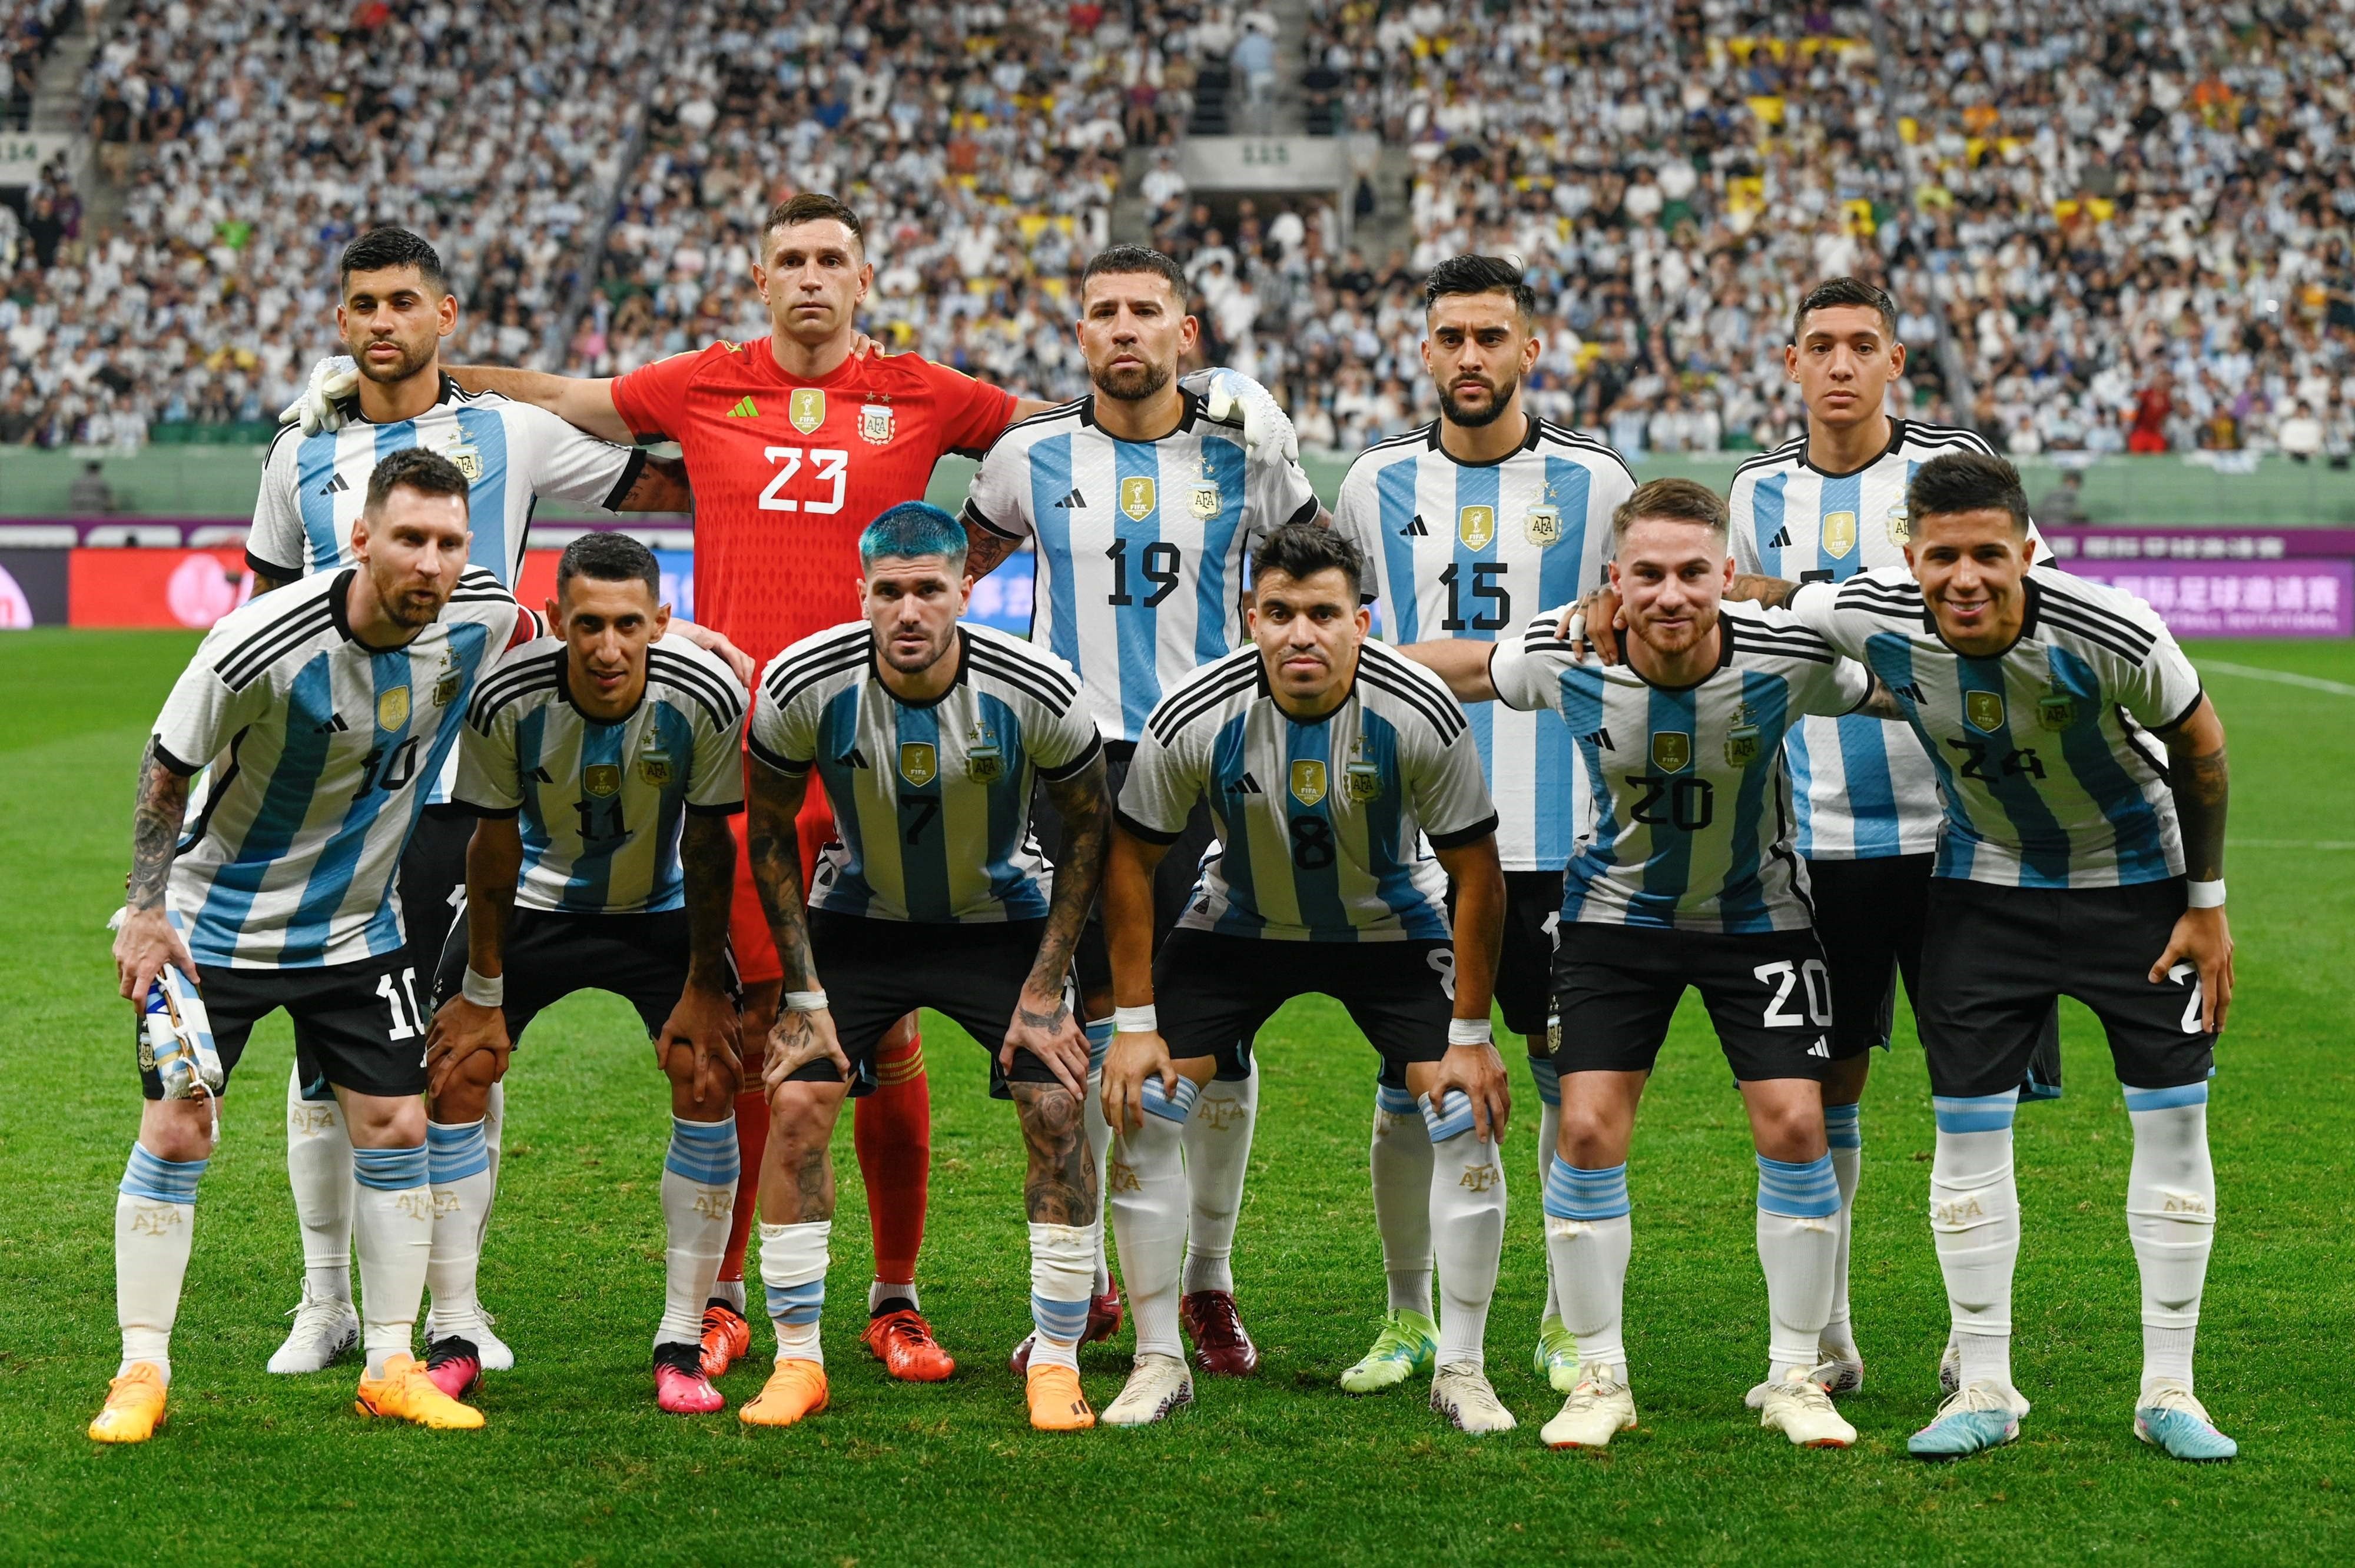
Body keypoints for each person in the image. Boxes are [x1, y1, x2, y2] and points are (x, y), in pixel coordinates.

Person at [281, 194, 1293, 1384]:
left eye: (831, 261)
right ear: (758, 278)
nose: (810, 278)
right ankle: (722, 1299)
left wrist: (1225, 391)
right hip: (749, 750)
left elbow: (1069, 428)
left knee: (895, 1026)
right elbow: (565, 398)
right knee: (764, 1024)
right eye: (790, 261)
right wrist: (417, 371)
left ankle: (897, 1296)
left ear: (865, 278)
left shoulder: (926, 391)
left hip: (885, 747)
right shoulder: (701, 382)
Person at [1584, 276, 2065, 1398]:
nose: (1841, 366)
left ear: (1897, 361)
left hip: (1961, 840)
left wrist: (1806, 588)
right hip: (1822, 845)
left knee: (1971, 1089)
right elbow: (1740, 626)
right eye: (1820, 347)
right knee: (1829, 1086)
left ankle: (1970, 1339)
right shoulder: (1754, 488)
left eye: (1862, 346)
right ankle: (1834, 1335)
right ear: (1789, 364)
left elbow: (1994, 603)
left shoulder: (1953, 468)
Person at [247, 226, 709, 1383]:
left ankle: (456, 1307)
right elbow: (258, 622)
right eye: (363, 304)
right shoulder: (295, 452)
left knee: (458, 1048)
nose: (382, 322)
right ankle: (323, 1305)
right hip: (333, 800)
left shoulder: (502, 429)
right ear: (341, 319)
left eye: (404, 301)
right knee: (323, 1056)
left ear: (444, 312)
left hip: (466, 789)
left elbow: (655, 469)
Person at [1747, 452, 2238, 1463]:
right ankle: (1983, 1385)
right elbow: (1776, 602)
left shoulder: (2114, 628)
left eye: (1985, 556)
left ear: (2026, 553)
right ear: (1909, 558)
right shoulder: (1872, 612)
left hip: (2138, 893)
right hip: (1981, 894)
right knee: (1967, 1134)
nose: (1962, 579)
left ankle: (2170, 1391)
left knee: (2174, 1125)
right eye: (1940, 558)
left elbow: (2202, 747)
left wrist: (2206, 906)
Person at [1406, 479, 1890, 1451]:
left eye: (1695, 575)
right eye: (1650, 576)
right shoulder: (1563, 652)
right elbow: (1452, 669)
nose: (1672, 597)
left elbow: (1888, 675)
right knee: (1583, 1131)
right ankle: (1600, 1380)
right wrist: (1333, 658)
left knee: (1799, 1124)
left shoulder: (1786, 656)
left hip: (1759, 922)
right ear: (1614, 581)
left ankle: (1797, 1374)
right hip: (1613, 923)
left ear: (1726, 576)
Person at [91, 449, 538, 1443]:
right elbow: (167, 771)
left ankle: (390, 1361)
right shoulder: (255, 644)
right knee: (180, 1130)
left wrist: (699, 641)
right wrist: (150, 912)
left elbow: (553, 636)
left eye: (450, 544)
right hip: (217, 930)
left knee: (397, 1127)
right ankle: (141, 1371)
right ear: (361, 539)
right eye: (411, 539)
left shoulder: (481, 618)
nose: (431, 563)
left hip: (356, 931)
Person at [959, 243, 1324, 1378]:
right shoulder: (1030, 456)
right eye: (1103, 313)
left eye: (1146, 312)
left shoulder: (1246, 453)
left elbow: (1320, 577)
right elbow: (955, 570)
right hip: (1069, 771)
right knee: (1081, 1031)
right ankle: (1089, 1285)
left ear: (1186, 331)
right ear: (1080, 337)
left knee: (1210, 1033)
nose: (1125, 330)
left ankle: (1207, 1281)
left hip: (1210, 761)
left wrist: (1289, 437)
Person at [1097, 522, 1516, 1434]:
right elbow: (1129, 862)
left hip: (1391, 925)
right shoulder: (1195, 711)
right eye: (1279, 612)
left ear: (1362, 622)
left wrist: (1472, 1041)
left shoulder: (1421, 709)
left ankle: (1464, 1366)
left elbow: (1478, 874)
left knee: (1462, 1110)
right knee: (1145, 1097)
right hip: (1240, 922)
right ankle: (1158, 1358)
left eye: (1323, 613)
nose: (1301, 634)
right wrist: (1134, 1022)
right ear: (1250, 617)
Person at [738, 501, 1112, 1432]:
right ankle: (796, 1363)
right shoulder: (803, 682)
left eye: (930, 591)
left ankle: (1057, 1361)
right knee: (794, 1101)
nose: (909, 611)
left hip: (1000, 924)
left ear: (965, 591)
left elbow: (1090, 829)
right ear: (860, 594)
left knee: (1060, 1105)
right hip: (858, 924)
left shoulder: (1037, 686)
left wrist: (1045, 988)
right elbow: (773, 834)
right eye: (890, 592)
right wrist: (804, 993)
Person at [1332, 253, 1634, 1395]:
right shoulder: (1370, 486)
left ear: (1528, 349)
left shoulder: (1597, 483)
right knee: (1411, 1083)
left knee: (1568, 1086)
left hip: (1565, 843)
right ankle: (1409, 1316)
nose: (1470, 358)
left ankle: (1565, 1316)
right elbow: (1337, 638)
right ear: (1423, 353)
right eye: (1449, 338)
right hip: (1415, 847)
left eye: (1489, 337)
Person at [419, 533, 747, 1413]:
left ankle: (683, 1340)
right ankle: (452, 1333)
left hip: (661, 909)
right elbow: (487, 846)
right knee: (455, 1074)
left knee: (710, 1072)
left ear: (662, 623)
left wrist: (707, 985)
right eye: (589, 625)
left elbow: (713, 840)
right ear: (557, 620)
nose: (608, 648)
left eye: (629, 625)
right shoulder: (508, 696)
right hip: (529, 904)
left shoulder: (706, 693)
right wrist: (483, 994)